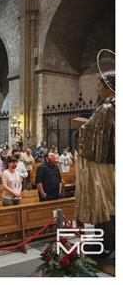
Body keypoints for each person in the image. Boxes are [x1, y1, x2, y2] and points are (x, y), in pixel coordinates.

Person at [75, 69, 115, 256]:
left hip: (103, 165)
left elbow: (90, 130)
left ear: (109, 86)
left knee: (104, 204)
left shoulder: (107, 108)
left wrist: (81, 126)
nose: (97, 88)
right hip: (113, 163)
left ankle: (106, 246)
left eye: (100, 85)